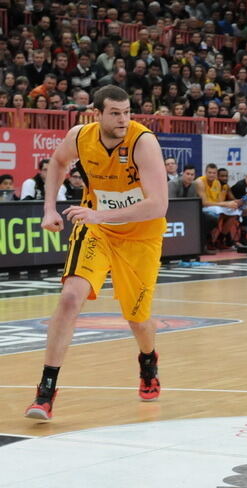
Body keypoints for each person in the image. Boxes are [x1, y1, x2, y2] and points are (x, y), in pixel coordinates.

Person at [24, 85, 169, 420]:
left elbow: (158, 205)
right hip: (97, 229)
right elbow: (58, 163)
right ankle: (46, 390)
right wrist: (50, 208)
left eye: (127, 112)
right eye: (115, 113)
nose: (123, 119)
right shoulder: (80, 136)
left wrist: (100, 214)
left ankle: (148, 360)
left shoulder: (143, 142)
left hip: (140, 237)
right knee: (70, 297)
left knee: (137, 319)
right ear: (98, 113)